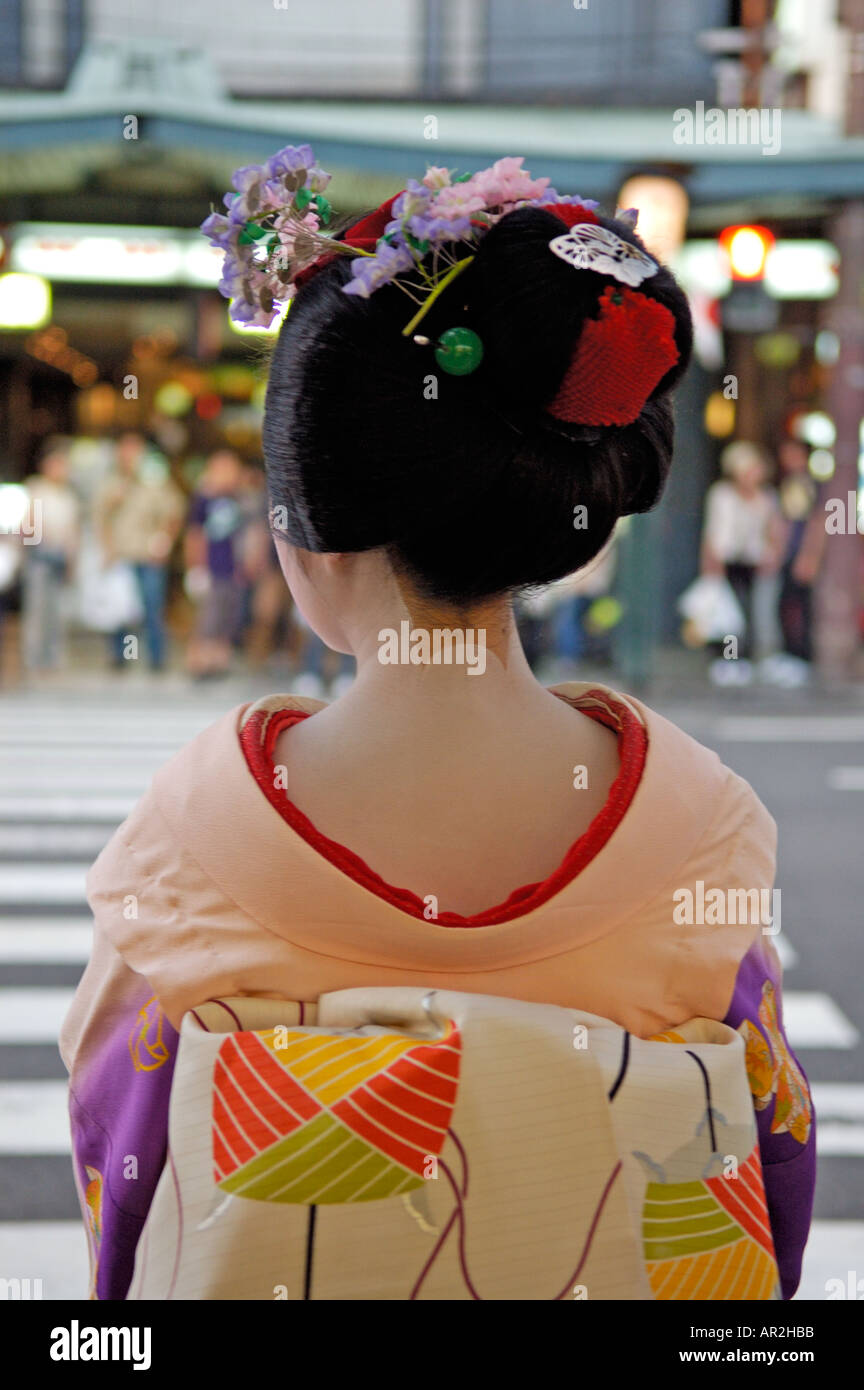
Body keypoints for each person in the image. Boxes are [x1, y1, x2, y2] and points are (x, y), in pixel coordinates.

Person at [61, 151, 814, 1301]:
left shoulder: (188, 850)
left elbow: (123, 1184)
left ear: (305, 539)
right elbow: (773, 1174)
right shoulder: (704, 830)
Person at [94, 431, 185, 671]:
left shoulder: (155, 482)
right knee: (119, 610)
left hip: (147, 555)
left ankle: (156, 659)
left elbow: (174, 513)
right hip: (121, 556)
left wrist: (164, 542)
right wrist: (107, 550)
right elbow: (100, 520)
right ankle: (119, 657)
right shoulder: (110, 483)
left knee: (152, 607)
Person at [700, 440, 785, 686]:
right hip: (726, 561)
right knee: (727, 614)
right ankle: (727, 659)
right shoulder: (722, 494)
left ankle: (750, 658)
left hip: (754, 561)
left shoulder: (767, 497)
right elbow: (712, 531)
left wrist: (774, 554)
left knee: (754, 611)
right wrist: (709, 564)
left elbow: (775, 530)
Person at [184, 448, 248, 679]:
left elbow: (245, 535)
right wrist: (196, 566)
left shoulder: (239, 499)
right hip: (211, 566)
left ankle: (219, 662)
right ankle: (198, 662)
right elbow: (194, 534)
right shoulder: (203, 499)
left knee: (227, 617)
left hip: (232, 567)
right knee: (207, 618)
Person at [21, 437, 80, 674]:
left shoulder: (69, 496)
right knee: (37, 609)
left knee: (57, 611)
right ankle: (33, 658)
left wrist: (72, 560)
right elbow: (29, 526)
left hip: (61, 557)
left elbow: (74, 531)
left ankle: (53, 659)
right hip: (40, 557)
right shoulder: (36, 489)